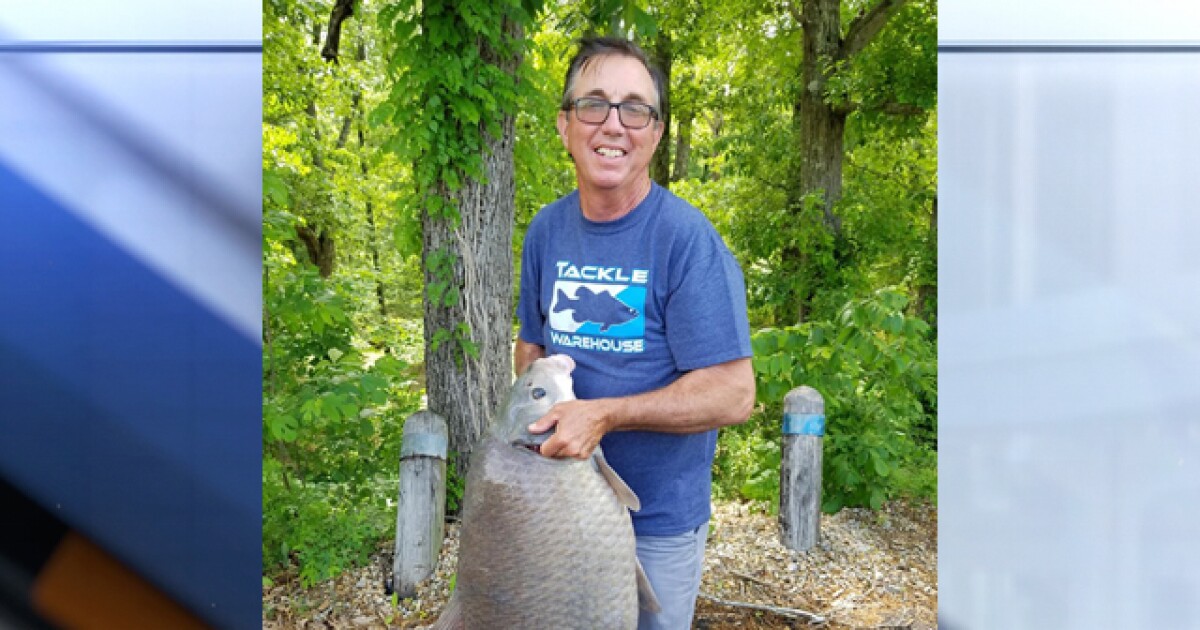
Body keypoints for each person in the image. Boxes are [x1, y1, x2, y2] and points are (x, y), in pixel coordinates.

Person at [514, 36, 756, 629]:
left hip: (656, 521)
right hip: (558, 509)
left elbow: (734, 392)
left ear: (656, 131)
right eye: (593, 104)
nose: (614, 124)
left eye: (635, 108)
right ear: (565, 125)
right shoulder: (545, 231)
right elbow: (532, 346)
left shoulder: (686, 240)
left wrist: (604, 414)